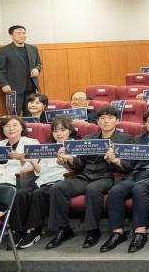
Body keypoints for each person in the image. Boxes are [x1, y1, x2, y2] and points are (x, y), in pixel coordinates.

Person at [44, 106, 133, 250]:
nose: (106, 121)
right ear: (97, 121)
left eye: (110, 118)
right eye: (102, 118)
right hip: (86, 175)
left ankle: (92, 230)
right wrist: (68, 159)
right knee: (57, 188)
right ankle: (63, 229)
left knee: (92, 189)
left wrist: (114, 159)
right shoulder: (88, 138)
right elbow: (79, 164)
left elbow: (128, 165)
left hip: (108, 176)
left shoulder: (125, 139)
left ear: (117, 121)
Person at [101, 108, 149, 253]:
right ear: (145, 124)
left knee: (139, 189)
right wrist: (116, 161)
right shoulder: (138, 139)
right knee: (115, 191)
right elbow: (129, 165)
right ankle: (117, 232)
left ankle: (140, 232)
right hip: (136, 175)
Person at [15, 116, 75, 249]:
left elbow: (77, 168)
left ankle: (33, 230)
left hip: (62, 180)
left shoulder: (75, 146)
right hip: (42, 180)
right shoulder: (49, 147)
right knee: (21, 193)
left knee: (39, 193)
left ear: (70, 131)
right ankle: (18, 230)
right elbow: (40, 170)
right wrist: (32, 161)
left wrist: (66, 163)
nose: (58, 134)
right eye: (55, 131)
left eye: (62, 130)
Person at [0, 115, 40, 239]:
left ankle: (16, 231)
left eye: (14, 125)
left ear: (22, 128)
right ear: (2, 130)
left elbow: (34, 166)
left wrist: (22, 160)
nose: (10, 129)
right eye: (6, 126)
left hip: (16, 179)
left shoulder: (31, 142)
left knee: (9, 193)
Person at [0, 25, 41, 114]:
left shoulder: (33, 48)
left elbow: (38, 63)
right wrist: (4, 84)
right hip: (13, 90)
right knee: (14, 115)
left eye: (23, 33)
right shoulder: (4, 50)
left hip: (31, 88)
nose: (22, 35)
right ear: (11, 36)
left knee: (30, 114)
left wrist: (37, 69)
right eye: (18, 33)